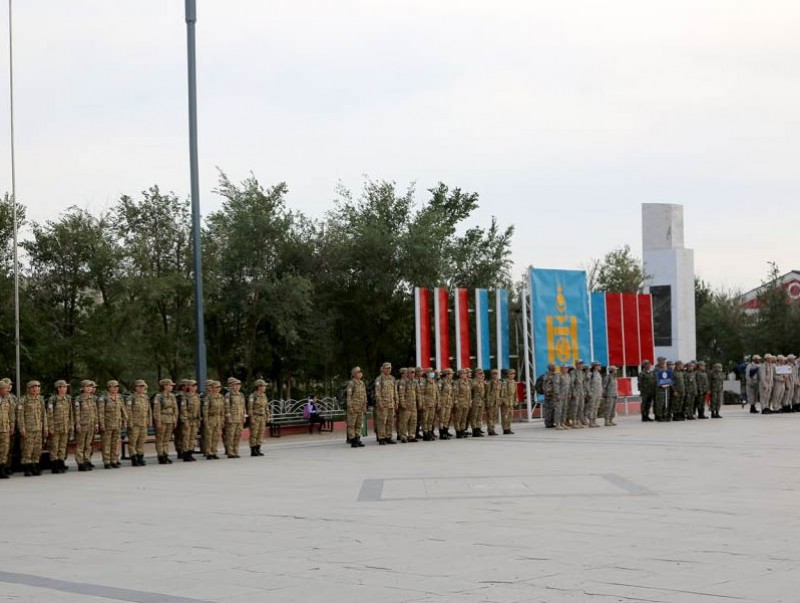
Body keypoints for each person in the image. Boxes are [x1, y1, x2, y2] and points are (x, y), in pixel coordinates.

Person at [18, 380, 48, 476]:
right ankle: (27, 467)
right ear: (29, 389)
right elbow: (20, 416)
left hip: (38, 428)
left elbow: (44, 415)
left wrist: (45, 427)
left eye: (38, 386)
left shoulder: (40, 400)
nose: (36, 388)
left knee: (37, 449)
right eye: (34, 387)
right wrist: (22, 429)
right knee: (27, 449)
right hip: (28, 429)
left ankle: (35, 465)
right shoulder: (23, 400)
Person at [98, 380, 128, 469]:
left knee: (115, 443)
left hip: (117, 423)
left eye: (117, 387)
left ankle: (114, 460)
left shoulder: (119, 397)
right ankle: (107, 461)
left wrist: (124, 421)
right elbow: (101, 412)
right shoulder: (103, 398)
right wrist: (102, 424)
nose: (116, 389)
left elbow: (123, 410)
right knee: (106, 443)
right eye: (114, 387)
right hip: (107, 424)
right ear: (109, 388)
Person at [47, 380, 73, 474]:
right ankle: (54, 465)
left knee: (62, 446)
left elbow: (71, 413)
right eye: (63, 387)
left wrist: (71, 425)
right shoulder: (53, 399)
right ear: (58, 388)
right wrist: (50, 427)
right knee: (55, 447)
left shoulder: (68, 398)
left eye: (66, 387)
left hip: (65, 426)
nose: (65, 389)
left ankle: (61, 463)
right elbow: (49, 414)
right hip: (56, 427)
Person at [73, 380, 98, 472]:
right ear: (83, 388)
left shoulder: (93, 398)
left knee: (88, 444)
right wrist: (77, 424)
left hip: (91, 424)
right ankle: (80, 462)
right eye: (87, 386)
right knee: (81, 444)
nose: (89, 388)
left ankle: (87, 460)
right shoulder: (79, 399)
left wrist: (96, 423)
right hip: (82, 425)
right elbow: (77, 412)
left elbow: (95, 412)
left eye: (91, 387)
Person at [153, 379, 178, 464]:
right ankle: (161, 455)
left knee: (167, 439)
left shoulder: (172, 396)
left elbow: (175, 408)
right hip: (162, 419)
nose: (171, 387)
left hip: (170, 419)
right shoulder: (159, 396)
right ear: (165, 386)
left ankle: (166, 454)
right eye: (170, 385)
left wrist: (175, 419)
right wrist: (158, 421)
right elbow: (157, 410)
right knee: (160, 438)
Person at [126, 380, 151, 466]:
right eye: (140, 386)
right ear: (136, 387)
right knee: (133, 442)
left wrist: (149, 421)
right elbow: (128, 412)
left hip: (143, 423)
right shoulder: (131, 398)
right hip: (134, 424)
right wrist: (129, 423)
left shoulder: (145, 397)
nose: (141, 388)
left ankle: (140, 457)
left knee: (142, 441)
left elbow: (148, 411)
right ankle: (134, 458)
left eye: (143, 386)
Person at [374, 363, 397, 445]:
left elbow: (395, 391)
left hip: (391, 403)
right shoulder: (379, 379)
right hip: (383, 404)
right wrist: (379, 403)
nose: (388, 370)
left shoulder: (392, 378)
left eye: (390, 368)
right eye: (387, 368)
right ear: (383, 369)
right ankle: (381, 438)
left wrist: (396, 402)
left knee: (390, 422)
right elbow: (377, 392)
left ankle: (388, 437)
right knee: (382, 421)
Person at [223, 378, 246, 458]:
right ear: (232, 386)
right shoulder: (228, 395)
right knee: (230, 435)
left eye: (238, 385)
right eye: (235, 385)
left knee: (238, 435)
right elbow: (227, 407)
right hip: (232, 418)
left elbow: (243, 406)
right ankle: (230, 452)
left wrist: (244, 416)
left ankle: (236, 451)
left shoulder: (241, 395)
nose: (237, 387)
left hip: (239, 418)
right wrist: (228, 417)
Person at [202, 380, 225, 459]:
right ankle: (209, 453)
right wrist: (206, 421)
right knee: (209, 436)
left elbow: (222, 410)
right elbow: (205, 411)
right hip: (210, 418)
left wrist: (222, 419)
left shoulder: (221, 397)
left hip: (218, 418)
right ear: (212, 388)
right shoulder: (208, 398)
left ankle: (214, 451)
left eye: (219, 387)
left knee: (216, 436)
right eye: (216, 387)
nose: (218, 388)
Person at [247, 379, 269, 455]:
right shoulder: (252, 396)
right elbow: (250, 408)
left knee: (260, 433)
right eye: (263, 386)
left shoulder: (264, 395)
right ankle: (253, 450)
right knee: (254, 434)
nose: (265, 387)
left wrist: (267, 416)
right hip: (255, 417)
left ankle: (258, 449)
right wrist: (251, 417)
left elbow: (266, 407)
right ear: (259, 387)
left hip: (262, 417)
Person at [345, 367, 366, 448]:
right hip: (353, 407)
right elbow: (349, 396)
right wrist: (350, 407)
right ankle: (353, 440)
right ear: (354, 374)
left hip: (360, 407)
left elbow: (364, 395)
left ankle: (358, 439)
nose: (360, 373)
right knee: (351, 424)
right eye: (358, 372)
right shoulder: (351, 383)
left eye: (361, 371)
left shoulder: (362, 383)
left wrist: (364, 405)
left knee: (359, 424)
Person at [0, 380, 15, 478]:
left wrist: (12, 426)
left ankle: (2, 469)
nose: (7, 390)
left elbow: (11, 414)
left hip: (5, 428)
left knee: (5, 449)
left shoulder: (7, 400)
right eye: (5, 388)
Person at [419, 368, 439, 441]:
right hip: (426, 403)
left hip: (432, 403)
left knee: (431, 419)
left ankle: (430, 431)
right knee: (425, 419)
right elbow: (421, 394)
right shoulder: (424, 382)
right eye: (430, 372)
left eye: (432, 372)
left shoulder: (433, 382)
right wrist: (422, 404)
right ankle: (425, 433)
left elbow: (436, 393)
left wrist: (437, 402)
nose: (432, 373)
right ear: (427, 373)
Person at [437, 368, 455, 439]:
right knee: (442, 418)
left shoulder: (449, 382)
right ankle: (442, 434)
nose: (452, 375)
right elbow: (438, 393)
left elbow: (451, 393)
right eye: (451, 374)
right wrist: (439, 402)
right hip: (443, 403)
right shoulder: (441, 382)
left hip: (448, 402)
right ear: (447, 375)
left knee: (447, 418)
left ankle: (445, 432)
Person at [469, 368, 487, 437]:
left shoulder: (481, 382)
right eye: (480, 373)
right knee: (474, 416)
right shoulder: (473, 382)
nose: (481, 375)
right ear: (476, 374)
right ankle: (474, 430)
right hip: (475, 401)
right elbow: (470, 391)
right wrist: (471, 400)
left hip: (481, 401)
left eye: (482, 373)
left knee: (479, 416)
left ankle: (478, 429)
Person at [486, 368, 503, 434]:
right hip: (491, 401)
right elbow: (487, 393)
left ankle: (493, 428)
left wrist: (500, 400)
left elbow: (500, 392)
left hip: (496, 401)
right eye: (494, 374)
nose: (495, 375)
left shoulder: (499, 382)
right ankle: (490, 430)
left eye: (496, 374)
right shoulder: (490, 383)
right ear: (491, 375)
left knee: (494, 416)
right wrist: (488, 401)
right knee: (490, 416)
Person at [500, 368, 517, 434]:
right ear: (508, 375)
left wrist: (515, 400)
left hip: (511, 401)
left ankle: (508, 427)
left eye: (513, 374)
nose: (513, 375)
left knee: (510, 415)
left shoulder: (514, 382)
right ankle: (505, 429)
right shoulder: (505, 382)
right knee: (505, 415)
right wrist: (504, 401)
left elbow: (515, 393)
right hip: (506, 401)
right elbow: (503, 393)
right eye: (511, 374)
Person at [587, 361, 603, 427]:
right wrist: (589, 392)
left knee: (596, 407)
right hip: (593, 393)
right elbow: (587, 384)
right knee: (592, 407)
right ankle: (591, 421)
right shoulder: (590, 374)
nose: (599, 366)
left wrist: (601, 392)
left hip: (598, 393)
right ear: (595, 366)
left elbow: (599, 384)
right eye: (598, 365)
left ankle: (594, 421)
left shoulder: (598, 374)